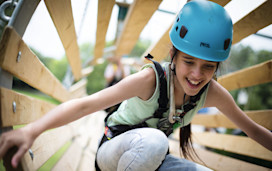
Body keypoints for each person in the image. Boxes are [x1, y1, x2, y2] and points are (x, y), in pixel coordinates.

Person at [0, 0, 272, 170]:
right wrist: (32, 131)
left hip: (151, 162)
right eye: (189, 61)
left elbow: (253, 130)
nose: (197, 75)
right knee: (154, 142)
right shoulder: (149, 80)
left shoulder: (211, 93)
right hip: (114, 154)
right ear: (173, 54)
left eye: (208, 67)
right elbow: (86, 104)